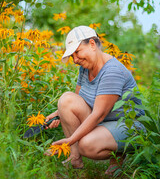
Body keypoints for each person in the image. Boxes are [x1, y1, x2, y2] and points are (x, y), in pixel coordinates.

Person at [45, 25, 144, 175]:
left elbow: (98, 115)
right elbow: (77, 100)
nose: (75, 60)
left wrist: (70, 141)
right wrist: (58, 113)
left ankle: (118, 154)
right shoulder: (85, 68)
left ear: (92, 44)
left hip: (129, 125)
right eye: (72, 56)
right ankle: (75, 158)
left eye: (77, 52)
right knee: (66, 99)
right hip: (104, 120)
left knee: (86, 145)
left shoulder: (112, 71)